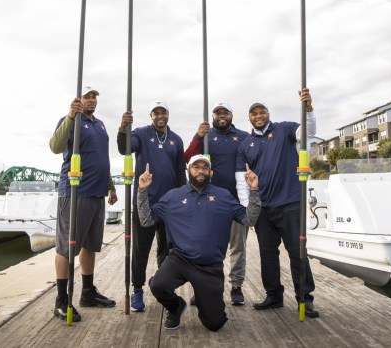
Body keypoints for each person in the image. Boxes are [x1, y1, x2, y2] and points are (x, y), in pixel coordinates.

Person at [137, 155, 262, 331]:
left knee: (214, 323)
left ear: (210, 172)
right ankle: (176, 307)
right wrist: (142, 191)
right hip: (180, 259)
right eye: (196, 167)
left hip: (210, 265)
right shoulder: (173, 196)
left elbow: (249, 219)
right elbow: (146, 221)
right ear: (188, 170)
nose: (200, 171)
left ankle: (207, 299)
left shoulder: (223, 196)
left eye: (205, 167)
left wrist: (254, 190)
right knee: (158, 285)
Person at [236, 88, 320, 318]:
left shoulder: (284, 129)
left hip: (290, 203)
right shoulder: (245, 144)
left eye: (261, 112)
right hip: (263, 208)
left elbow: (309, 132)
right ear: (249, 117)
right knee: (268, 255)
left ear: (268, 114)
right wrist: (249, 208)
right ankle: (274, 296)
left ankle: (305, 298)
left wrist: (308, 108)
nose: (258, 116)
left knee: (297, 253)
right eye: (254, 113)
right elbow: (240, 180)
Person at [49, 86, 118, 321]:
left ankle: (87, 293)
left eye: (94, 97)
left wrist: (110, 186)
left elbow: (102, 158)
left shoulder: (100, 125)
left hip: (97, 193)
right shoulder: (70, 120)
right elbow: (55, 147)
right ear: (78, 100)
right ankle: (61, 300)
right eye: (87, 97)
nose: (91, 100)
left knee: (90, 245)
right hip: (75, 192)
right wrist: (70, 116)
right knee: (67, 247)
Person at [117, 100, 186, 312]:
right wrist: (123, 128)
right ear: (151, 116)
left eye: (163, 112)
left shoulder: (176, 140)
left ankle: (164, 288)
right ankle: (137, 290)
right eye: (155, 113)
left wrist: (184, 201)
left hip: (169, 206)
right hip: (145, 203)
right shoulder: (141, 133)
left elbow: (180, 174)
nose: (160, 116)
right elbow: (124, 148)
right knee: (140, 250)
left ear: (168, 114)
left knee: (166, 250)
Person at [184, 102, 250, 306]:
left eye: (225, 112)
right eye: (217, 113)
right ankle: (205, 288)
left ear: (231, 114)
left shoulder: (244, 137)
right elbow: (187, 160)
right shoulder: (206, 136)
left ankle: (236, 286)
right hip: (210, 201)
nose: (222, 116)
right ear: (213, 116)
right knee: (207, 247)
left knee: (238, 247)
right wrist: (197, 136)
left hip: (237, 202)